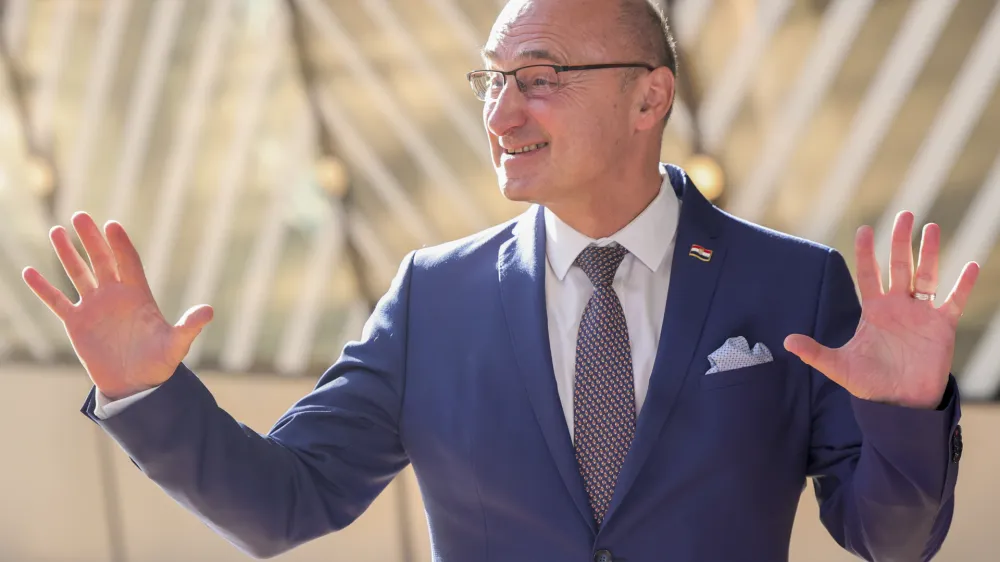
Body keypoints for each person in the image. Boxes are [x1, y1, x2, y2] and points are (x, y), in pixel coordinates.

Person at [23, 0, 979, 560]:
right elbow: (285, 500)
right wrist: (144, 392)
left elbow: (888, 539)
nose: (503, 109)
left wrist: (905, 410)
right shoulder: (434, 299)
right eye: (490, 80)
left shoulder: (794, 285)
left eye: (540, 75)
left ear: (649, 96)